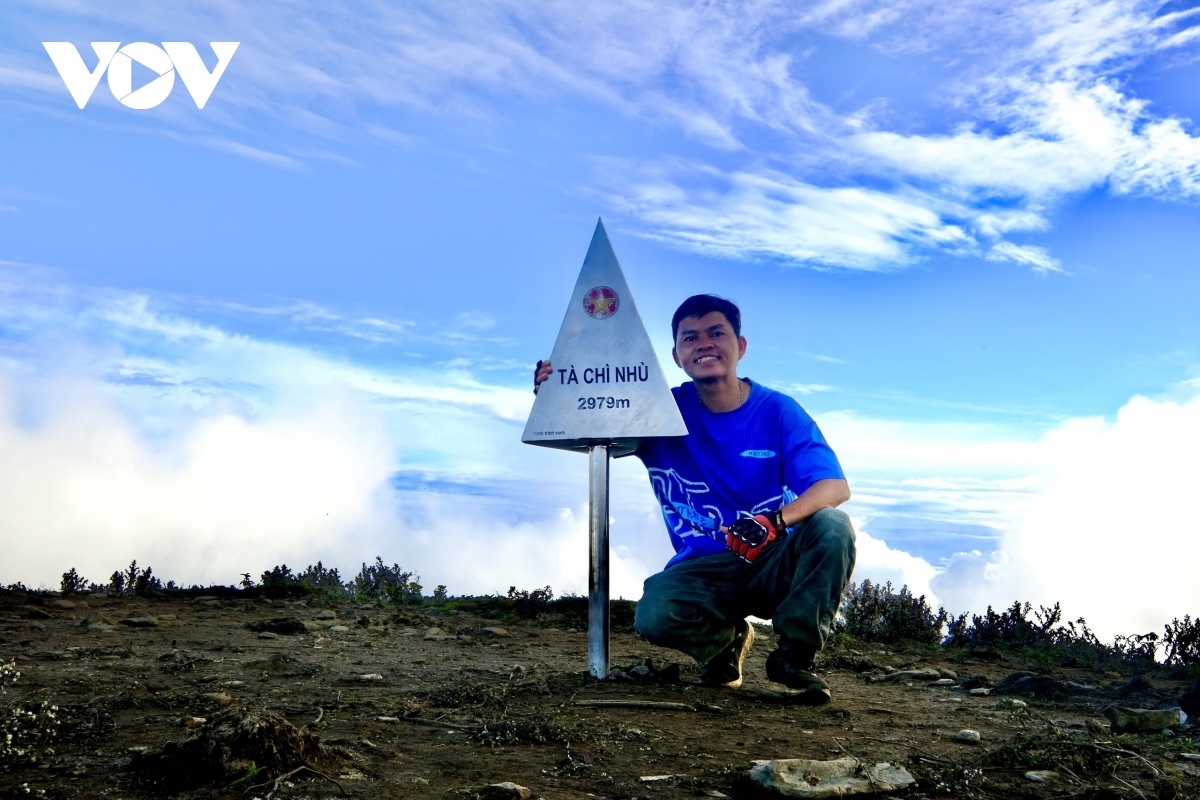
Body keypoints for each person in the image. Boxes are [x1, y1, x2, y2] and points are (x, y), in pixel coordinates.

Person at [534, 294, 855, 704]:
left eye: (716, 333)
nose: (704, 344)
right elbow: (589, 433)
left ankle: (794, 657)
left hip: (776, 556)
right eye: (690, 338)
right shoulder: (657, 411)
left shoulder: (778, 411)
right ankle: (726, 644)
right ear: (676, 355)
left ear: (740, 346)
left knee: (832, 527)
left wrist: (773, 522)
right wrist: (555, 392)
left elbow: (834, 487)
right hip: (707, 568)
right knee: (655, 615)